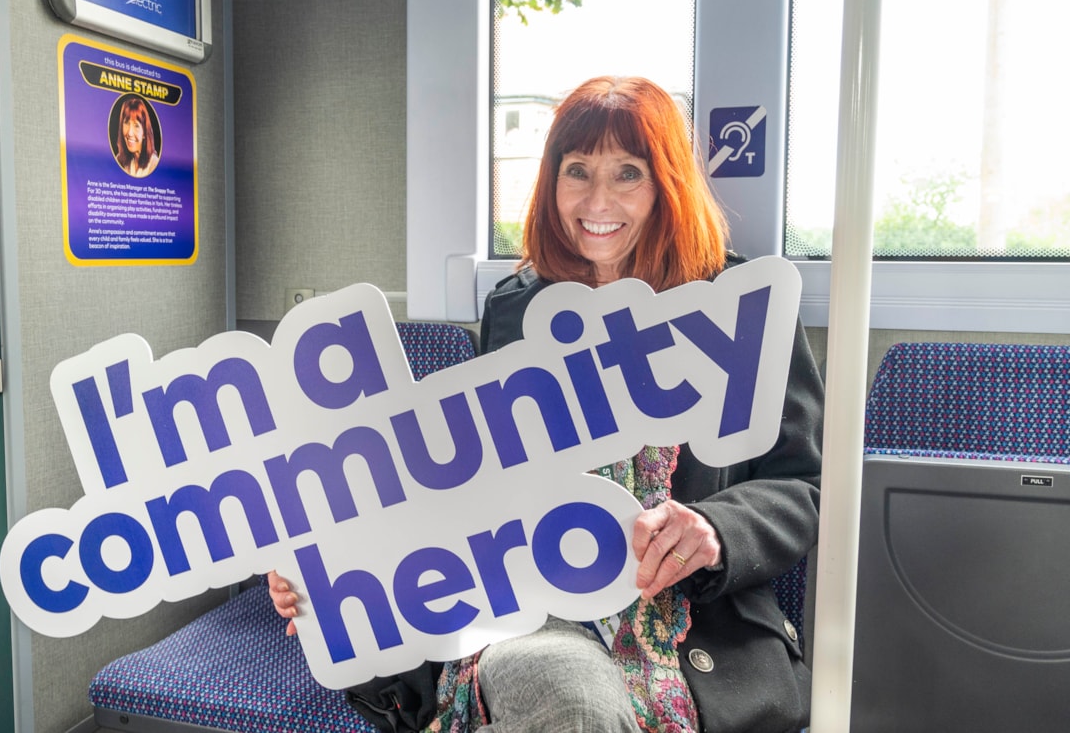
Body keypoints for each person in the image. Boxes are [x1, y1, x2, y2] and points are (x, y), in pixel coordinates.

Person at [270, 76, 823, 733]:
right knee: (575, 708)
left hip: (688, 623)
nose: (597, 199)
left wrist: (714, 530)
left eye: (627, 173)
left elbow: (802, 483)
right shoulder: (516, 309)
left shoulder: (742, 303)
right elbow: (457, 484)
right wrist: (331, 564)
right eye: (577, 171)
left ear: (666, 181)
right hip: (539, 606)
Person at [114, 94, 160, 178]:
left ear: (145, 133)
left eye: (136, 126)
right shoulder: (119, 161)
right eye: (127, 123)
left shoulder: (154, 164)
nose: (130, 133)